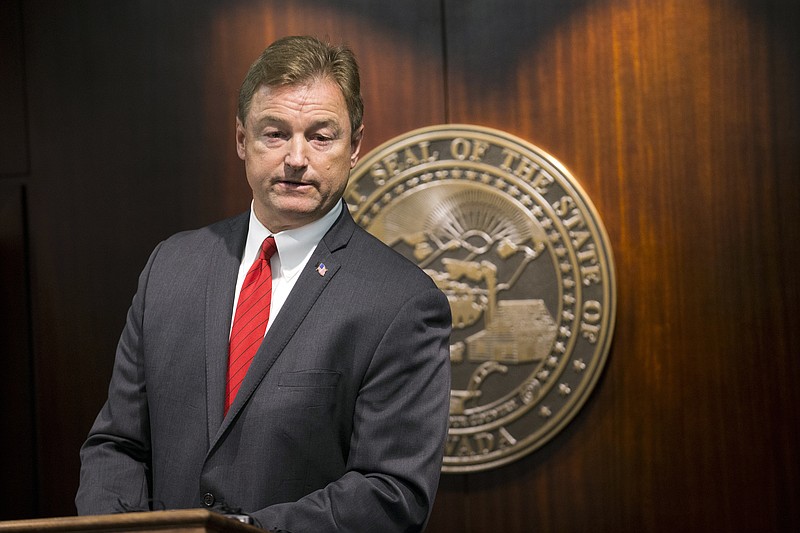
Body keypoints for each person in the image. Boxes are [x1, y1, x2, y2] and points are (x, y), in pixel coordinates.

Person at [75, 35, 452, 532]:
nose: (297, 158)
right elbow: (117, 444)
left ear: (355, 146)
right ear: (241, 140)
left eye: (321, 136)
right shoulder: (171, 266)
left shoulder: (401, 302)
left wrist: (238, 532)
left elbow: (391, 492)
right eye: (275, 133)